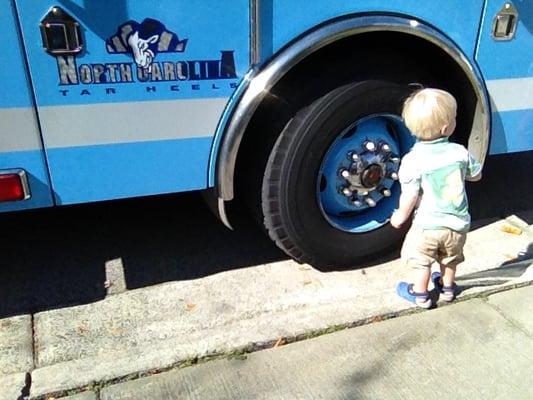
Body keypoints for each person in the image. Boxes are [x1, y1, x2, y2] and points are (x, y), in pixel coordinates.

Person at [391, 88, 482, 308]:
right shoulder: (459, 152)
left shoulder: (413, 159)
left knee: (421, 260)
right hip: (458, 225)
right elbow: (476, 175)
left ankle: (420, 294)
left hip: (428, 226)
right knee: (450, 259)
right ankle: (448, 288)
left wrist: (399, 217)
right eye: (454, 118)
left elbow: (410, 195)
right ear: (446, 127)